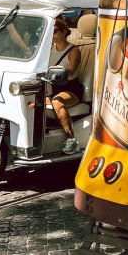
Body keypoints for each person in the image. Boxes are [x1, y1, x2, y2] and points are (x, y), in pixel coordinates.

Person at [47, 17, 84, 154]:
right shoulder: (50, 49)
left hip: (70, 87)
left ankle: (72, 141)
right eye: (50, 32)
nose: (52, 35)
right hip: (53, 87)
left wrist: (53, 70)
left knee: (57, 102)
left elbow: (70, 71)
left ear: (64, 32)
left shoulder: (73, 50)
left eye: (55, 31)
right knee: (32, 101)